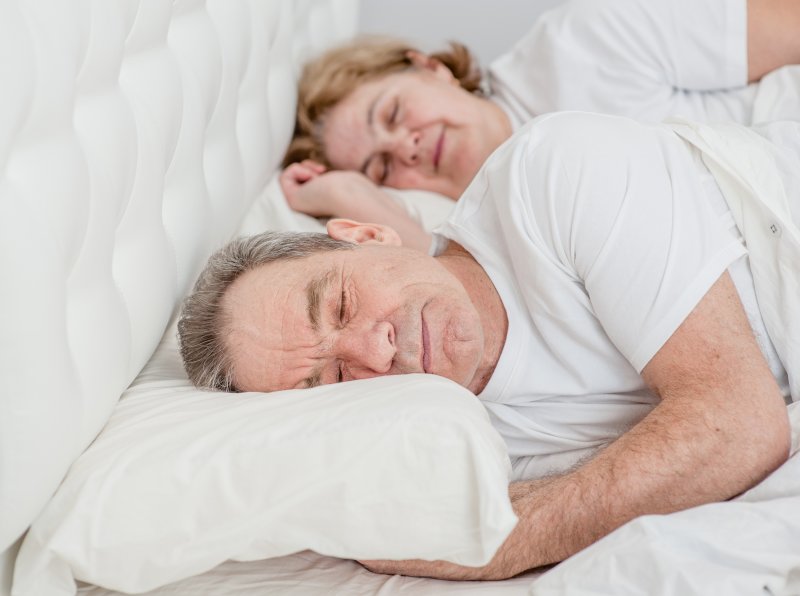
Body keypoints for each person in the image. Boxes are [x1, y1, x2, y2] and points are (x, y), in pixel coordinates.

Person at [178, 110, 798, 579]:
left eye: (339, 304)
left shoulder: (554, 172)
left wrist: (496, 544)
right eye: (333, 380)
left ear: (367, 234)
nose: (374, 349)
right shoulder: (452, 439)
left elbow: (740, 423)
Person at [280, 0, 800, 251]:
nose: (406, 147)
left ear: (431, 67)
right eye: (382, 165)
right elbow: (435, 279)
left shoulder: (585, 40)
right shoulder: (475, 229)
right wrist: (348, 193)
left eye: (393, 113)